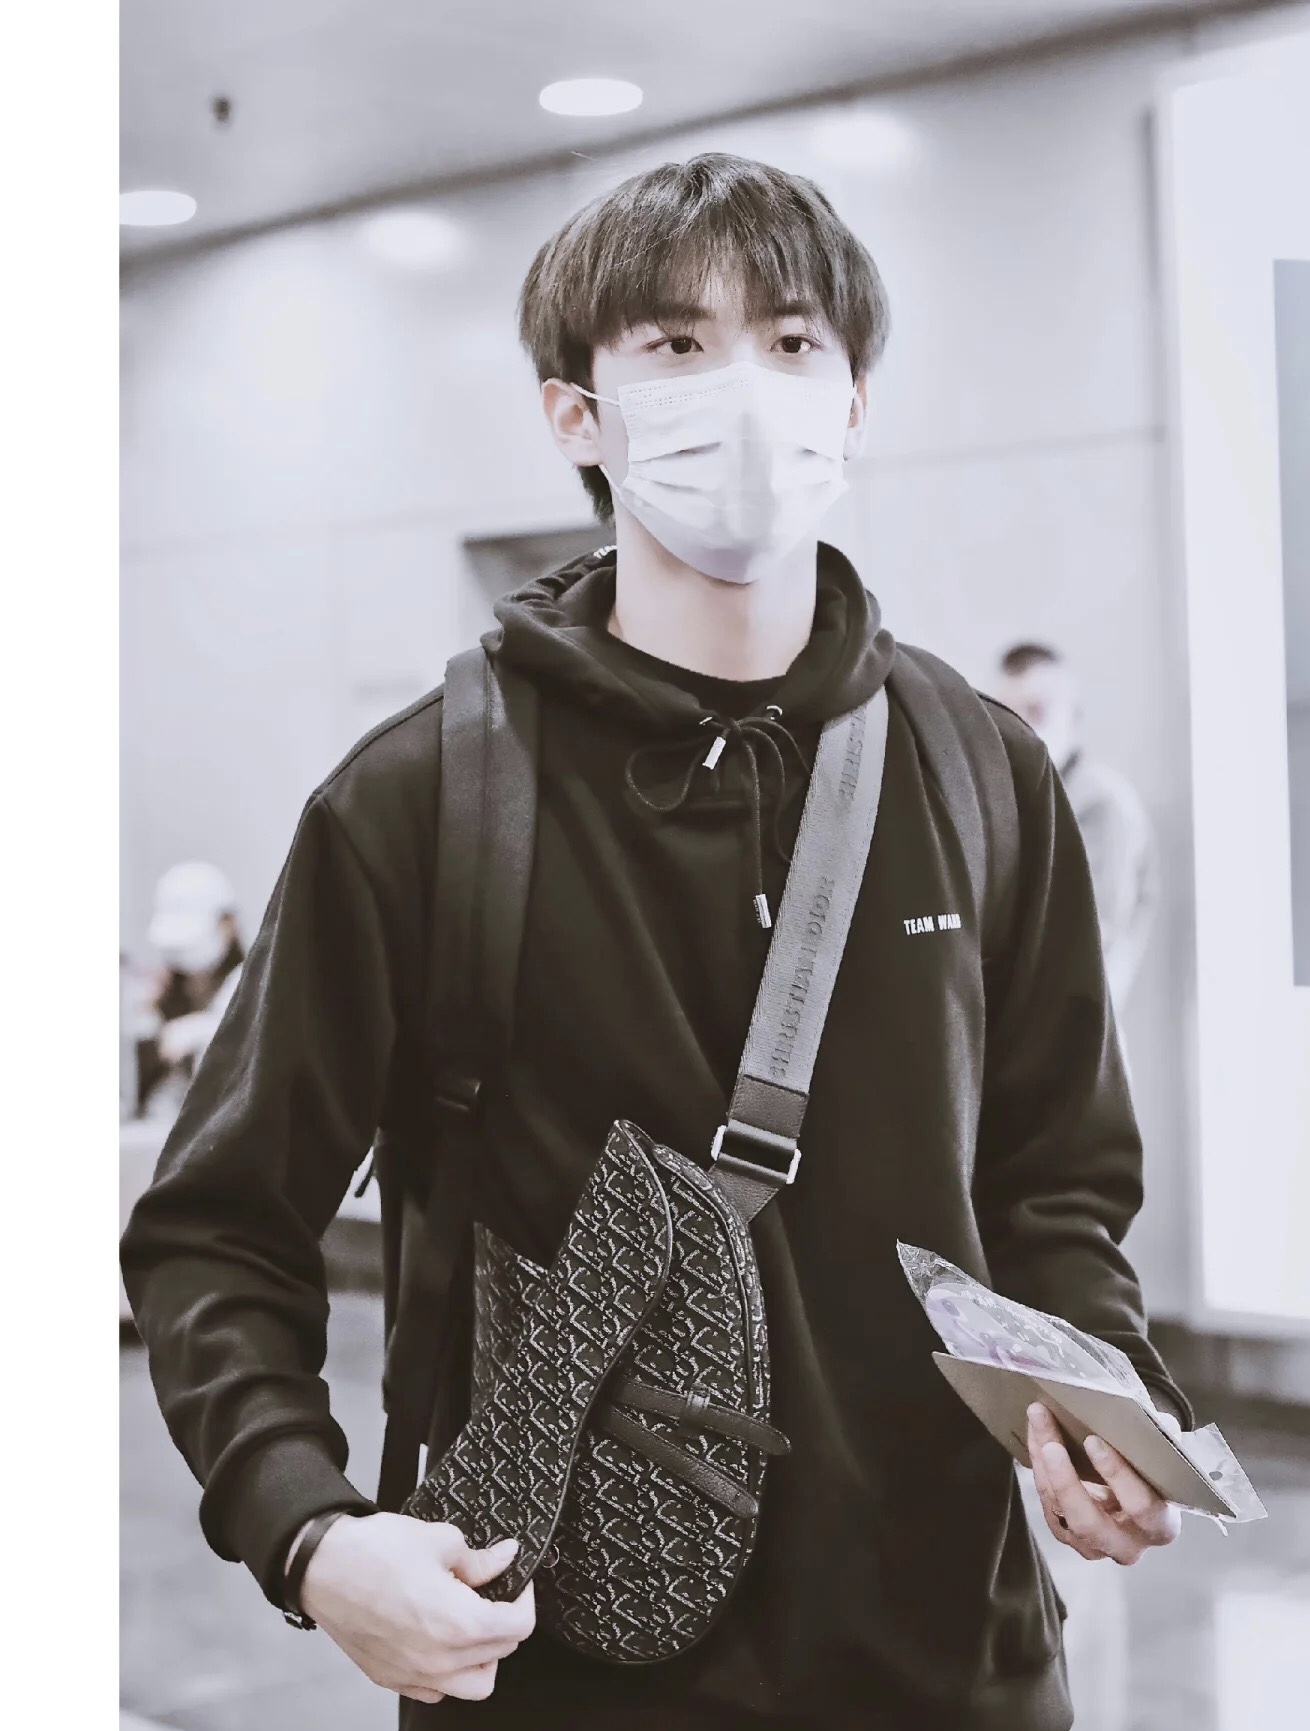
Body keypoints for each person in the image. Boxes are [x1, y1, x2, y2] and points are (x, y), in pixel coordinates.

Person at [122, 154, 1192, 1731]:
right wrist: (312, 1530)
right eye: (678, 344)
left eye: (793, 339)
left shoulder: (980, 770)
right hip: (561, 1665)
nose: (746, 387)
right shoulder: (426, 797)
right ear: (576, 413)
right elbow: (216, 1225)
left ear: (854, 400)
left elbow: (1056, 1182)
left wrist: (1101, 1393)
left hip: (954, 1663)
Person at [995, 644, 1159, 1013]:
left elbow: (1089, 935)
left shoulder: (1101, 802)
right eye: (1005, 715)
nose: (1020, 729)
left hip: (1076, 1034)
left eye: (1038, 710)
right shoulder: (1020, 804)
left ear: (1073, 714)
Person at [127, 860, 245, 1121]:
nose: (184, 958)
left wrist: (200, 1030)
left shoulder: (246, 985)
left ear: (228, 923)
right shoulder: (162, 994)